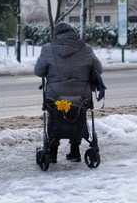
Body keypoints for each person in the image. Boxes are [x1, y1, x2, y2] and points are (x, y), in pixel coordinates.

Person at [34, 23, 103, 163]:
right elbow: (99, 69)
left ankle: (52, 153)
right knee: (77, 113)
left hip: (56, 96)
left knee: (55, 115)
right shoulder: (86, 49)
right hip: (81, 96)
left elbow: (39, 71)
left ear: (56, 34)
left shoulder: (48, 49)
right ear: (73, 33)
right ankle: (75, 151)